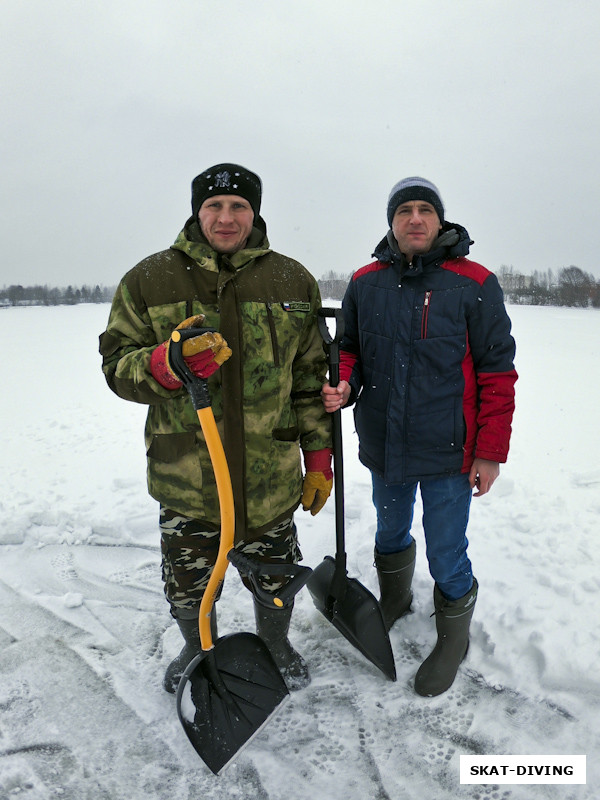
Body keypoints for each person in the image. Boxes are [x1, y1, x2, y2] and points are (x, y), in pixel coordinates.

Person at [100, 163, 332, 692]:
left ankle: (275, 642)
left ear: (255, 212)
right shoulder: (149, 278)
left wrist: (319, 456)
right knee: (189, 584)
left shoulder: (293, 281)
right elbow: (116, 366)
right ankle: (195, 645)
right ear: (196, 211)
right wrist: (163, 365)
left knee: (276, 579)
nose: (226, 218)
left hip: (269, 473)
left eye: (239, 207)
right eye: (214, 206)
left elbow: (308, 380)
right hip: (189, 475)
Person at [321, 177, 517, 696]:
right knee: (389, 532)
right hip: (385, 442)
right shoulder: (365, 283)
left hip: (450, 449)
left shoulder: (474, 283)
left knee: (446, 549)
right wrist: (343, 381)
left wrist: (490, 453)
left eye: (424, 210)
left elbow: (498, 372)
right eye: (404, 210)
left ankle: (453, 636)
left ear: (439, 220)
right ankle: (395, 599)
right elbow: (350, 350)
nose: (414, 219)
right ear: (391, 222)